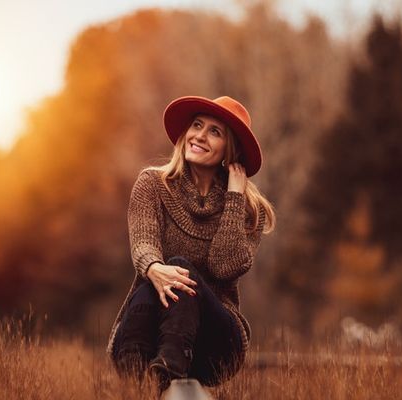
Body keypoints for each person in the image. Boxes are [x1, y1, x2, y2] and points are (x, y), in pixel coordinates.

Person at [107, 95, 276, 391]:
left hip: (215, 345)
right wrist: (153, 268)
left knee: (179, 269)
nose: (199, 135)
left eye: (215, 131)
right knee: (159, 278)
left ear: (230, 150)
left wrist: (234, 198)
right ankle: (137, 374)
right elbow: (143, 243)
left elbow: (224, 267)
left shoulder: (250, 210)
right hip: (148, 329)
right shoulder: (152, 185)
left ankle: (170, 364)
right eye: (197, 125)